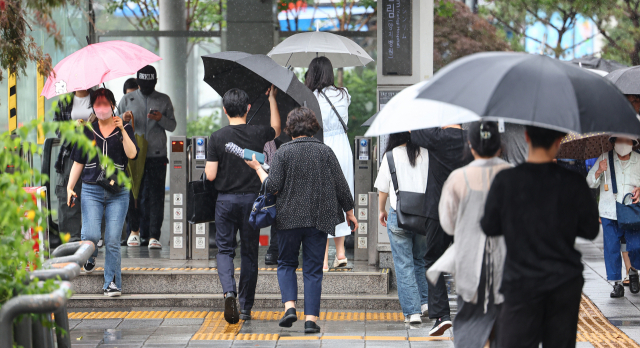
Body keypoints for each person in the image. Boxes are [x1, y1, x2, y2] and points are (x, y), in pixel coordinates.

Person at [481, 125, 600, 348]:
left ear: (526, 137)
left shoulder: (506, 181)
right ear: (560, 141)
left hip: (520, 283)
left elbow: (489, 226)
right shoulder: (573, 183)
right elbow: (591, 229)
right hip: (564, 283)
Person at [245, 107, 357, 333]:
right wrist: (350, 212)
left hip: (288, 219)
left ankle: (289, 307)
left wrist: (258, 168)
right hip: (318, 218)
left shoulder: (284, 152)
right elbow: (341, 184)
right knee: (313, 270)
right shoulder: (325, 151)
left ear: (290, 129)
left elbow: (273, 187)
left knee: (286, 263)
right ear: (313, 127)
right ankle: (311, 321)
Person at [430, 121, 510, 348]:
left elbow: (447, 224)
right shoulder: (512, 175)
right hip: (506, 261)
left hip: (470, 260)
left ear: (471, 146)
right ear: (499, 146)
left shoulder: (457, 178)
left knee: (471, 319)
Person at [205, 87, 281, 324]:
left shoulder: (217, 137)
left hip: (225, 201)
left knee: (225, 250)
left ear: (225, 109)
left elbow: (210, 175)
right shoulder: (259, 133)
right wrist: (271, 99)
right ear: (248, 108)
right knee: (249, 254)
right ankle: (246, 307)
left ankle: (229, 292)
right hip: (251, 202)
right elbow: (277, 129)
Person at [66, 88, 138, 297]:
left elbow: (132, 154)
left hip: (118, 192)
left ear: (113, 106)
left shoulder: (123, 127)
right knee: (91, 235)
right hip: (91, 190)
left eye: (105, 104)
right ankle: (90, 254)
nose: (101, 108)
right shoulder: (87, 130)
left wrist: (123, 130)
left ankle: (112, 283)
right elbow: (79, 161)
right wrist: (70, 187)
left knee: (114, 239)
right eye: (97, 104)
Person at [411, 125, 472, 336]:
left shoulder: (436, 136)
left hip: (438, 210)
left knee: (434, 261)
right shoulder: (472, 139)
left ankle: (441, 317)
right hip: (466, 209)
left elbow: (412, 130)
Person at [374, 132, 430, 324]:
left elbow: (382, 189)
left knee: (404, 264)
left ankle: (413, 312)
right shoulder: (428, 153)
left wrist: (381, 210)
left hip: (399, 216)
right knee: (420, 259)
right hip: (423, 217)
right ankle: (425, 303)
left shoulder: (391, 155)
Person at [119, 65, 176, 249]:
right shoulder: (128, 99)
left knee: (156, 196)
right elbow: (115, 122)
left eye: (149, 83)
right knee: (134, 194)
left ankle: (153, 236)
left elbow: (173, 125)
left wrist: (160, 119)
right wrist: (124, 118)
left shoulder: (163, 99)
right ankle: (134, 231)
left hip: (156, 155)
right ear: (138, 82)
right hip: (133, 155)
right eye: (143, 84)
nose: (146, 87)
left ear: (155, 82)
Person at [305, 57, 354, 271]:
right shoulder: (344, 94)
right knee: (344, 196)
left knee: (321, 200)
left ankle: (323, 259)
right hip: (343, 147)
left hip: (322, 145)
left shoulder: (312, 97)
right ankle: (341, 254)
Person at [587, 135, 640, 297]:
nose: (623, 144)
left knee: (635, 245)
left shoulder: (638, 160)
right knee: (611, 248)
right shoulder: (604, 158)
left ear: (633, 143)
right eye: (620, 140)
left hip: (631, 210)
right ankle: (616, 284)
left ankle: (633, 273)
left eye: (627, 141)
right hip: (609, 211)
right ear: (613, 142)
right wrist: (599, 171)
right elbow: (590, 182)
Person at [53, 88, 94, 243]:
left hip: (95, 154)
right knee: (68, 195)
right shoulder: (64, 102)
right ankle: (72, 239)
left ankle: (94, 236)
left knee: (95, 194)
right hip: (70, 154)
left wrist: (96, 122)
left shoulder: (98, 99)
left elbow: (110, 123)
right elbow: (57, 129)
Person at [120, 78, 141, 247]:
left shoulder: (146, 101)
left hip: (144, 154)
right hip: (124, 158)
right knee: (129, 193)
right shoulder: (122, 104)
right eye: (129, 94)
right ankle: (130, 232)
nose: (132, 97)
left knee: (140, 194)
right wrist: (122, 118)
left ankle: (141, 232)